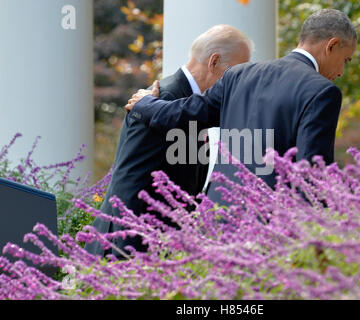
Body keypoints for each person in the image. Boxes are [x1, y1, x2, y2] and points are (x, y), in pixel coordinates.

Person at [126, 9, 357, 206]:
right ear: (332, 46)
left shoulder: (238, 74)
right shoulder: (323, 92)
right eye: (345, 60)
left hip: (218, 217)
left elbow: (189, 113)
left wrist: (145, 104)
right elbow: (312, 171)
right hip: (269, 228)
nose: (341, 72)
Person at [85, 25, 253, 258]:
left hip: (158, 240)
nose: (240, 82)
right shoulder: (164, 98)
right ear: (214, 62)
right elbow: (131, 179)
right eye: (236, 72)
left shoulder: (184, 104)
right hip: (130, 242)